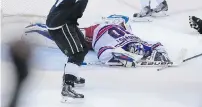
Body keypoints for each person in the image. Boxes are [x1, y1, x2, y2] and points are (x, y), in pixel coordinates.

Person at [45, 0, 112, 102]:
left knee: (83, 47)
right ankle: (67, 86)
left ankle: (71, 74)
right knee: (77, 52)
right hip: (61, 23)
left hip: (65, 20)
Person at [24, 15, 171, 67]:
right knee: (64, 37)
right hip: (93, 34)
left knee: (65, 32)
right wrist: (120, 57)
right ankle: (37, 28)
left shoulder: (138, 41)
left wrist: (162, 53)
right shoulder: (116, 45)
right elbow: (103, 54)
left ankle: (40, 25)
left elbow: (157, 44)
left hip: (106, 27)